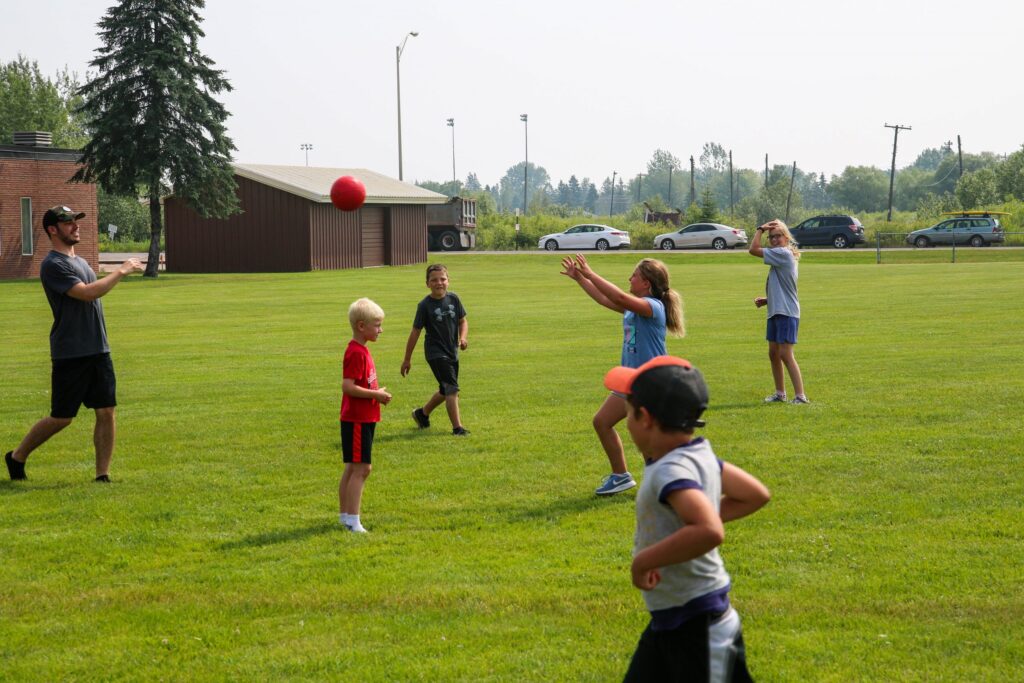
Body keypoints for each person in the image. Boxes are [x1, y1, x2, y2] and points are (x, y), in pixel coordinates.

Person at [603, 356, 771, 682]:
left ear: (646, 418)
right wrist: (696, 520)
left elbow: (708, 529)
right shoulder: (698, 455)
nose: (626, 421)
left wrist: (643, 561)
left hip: (701, 628)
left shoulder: (671, 470)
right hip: (672, 620)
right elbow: (755, 494)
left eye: (628, 413)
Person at [5, 206, 142, 482]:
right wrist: (121, 271)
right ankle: (17, 456)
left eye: (75, 221)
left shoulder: (81, 262)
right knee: (62, 417)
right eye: (68, 222)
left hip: (98, 349)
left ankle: (102, 475)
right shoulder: (53, 265)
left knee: (106, 411)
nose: (75, 226)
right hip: (71, 352)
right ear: (52, 230)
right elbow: (88, 294)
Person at [560, 254, 684, 496]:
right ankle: (620, 476)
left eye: (634, 275)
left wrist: (590, 273)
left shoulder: (653, 307)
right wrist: (580, 280)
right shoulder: (633, 309)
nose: (630, 278)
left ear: (646, 282)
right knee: (602, 422)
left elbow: (617, 296)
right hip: (630, 381)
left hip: (650, 381)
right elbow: (605, 299)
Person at [339, 298, 392, 533]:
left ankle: (345, 517)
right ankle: (352, 520)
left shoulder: (362, 350)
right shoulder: (356, 353)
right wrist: (375, 395)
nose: (381, 330)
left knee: (353, 468)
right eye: (377, 325)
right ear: (362, 326)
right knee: (362, 469)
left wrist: (375, 393)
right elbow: (348, 387)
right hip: (358, 420)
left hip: (363, 417)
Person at [400, 264, 470, 436]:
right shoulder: (424, 305)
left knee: (445, 389)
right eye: (434, 280)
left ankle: (421, 414)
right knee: (452, 389)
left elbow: (463, 320)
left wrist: (462, 338)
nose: (439, 283)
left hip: (452, 350)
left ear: (448, 280)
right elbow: (415, 332)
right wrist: (407, 359)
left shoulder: (454, 299)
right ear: (427, 283)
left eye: (442, 279)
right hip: (435, 353)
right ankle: (457, 428)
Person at [748, 219, 809, 404]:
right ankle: (780, 394)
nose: (774, 240)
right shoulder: (780, 255)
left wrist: (760, 230)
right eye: (771, 237)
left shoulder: (782, 253)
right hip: (776, 310)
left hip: (787, 312)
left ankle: (800, 396)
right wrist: (768, 300)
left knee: (785, 353)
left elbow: (753, 250)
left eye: (778, 236)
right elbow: (784, 286)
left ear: (786, 237)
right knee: (773, 353)